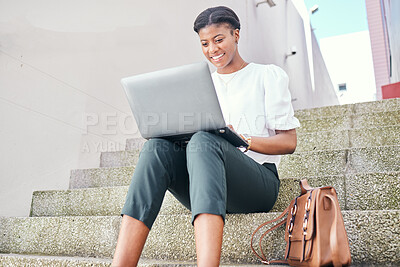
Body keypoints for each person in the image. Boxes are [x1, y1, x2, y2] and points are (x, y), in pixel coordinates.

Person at [112, 6, 300, 267]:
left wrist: (243, 141)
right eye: (205, 43)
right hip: (205, 183)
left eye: (219, 39)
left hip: (258, 184)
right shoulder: (201, 84)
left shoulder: (266, 75)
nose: (212, 49)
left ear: (236, 35)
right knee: (156, 147)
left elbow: (289, 142)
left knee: (206, 140)